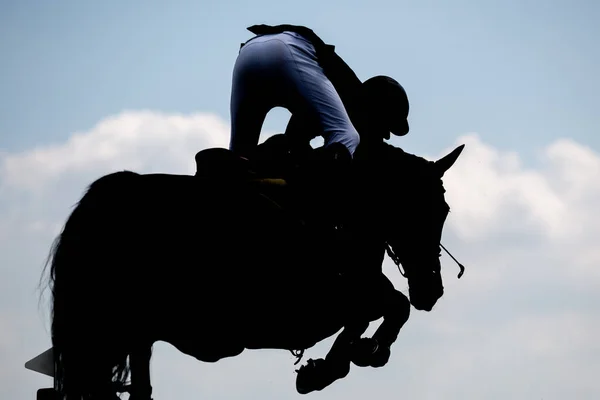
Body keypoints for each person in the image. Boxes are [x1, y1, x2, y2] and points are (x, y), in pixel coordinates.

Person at [228, 24, 410, 164]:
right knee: (347, 137)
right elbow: (373, 149)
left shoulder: (324, 99)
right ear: (378, 112)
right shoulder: (356, 102)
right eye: (386, 128)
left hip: (249, 53)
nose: (385, 135)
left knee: (238, 157)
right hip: (289, 48)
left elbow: (293, 140)